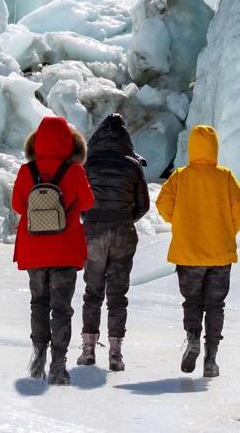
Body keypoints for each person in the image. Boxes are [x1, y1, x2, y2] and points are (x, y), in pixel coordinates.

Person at [155, 124, 240, 378]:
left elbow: (163, 204)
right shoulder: (226, 176)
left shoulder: (180, 176)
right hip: (219, 253)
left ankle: (193, 338)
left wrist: (180, 222)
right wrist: (227, 231)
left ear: (192, 147)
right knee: (216, 304)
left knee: (192, 301)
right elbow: (238, 209)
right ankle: (211, 359)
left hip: (188, 253)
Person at [12, 115, 93, 385]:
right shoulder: (75, 172)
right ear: (71, 143)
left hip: (34, 249)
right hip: (65, 250)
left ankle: (38, 358)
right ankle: (59, 364)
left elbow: (18, 205)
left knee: (38, 303)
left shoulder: (27, 171)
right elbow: (87, 203)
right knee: (61, 308)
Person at [77, 113, 150, 371]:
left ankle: (88, 350)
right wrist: (123, 217)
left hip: (94, 231)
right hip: (122, 231)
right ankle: (116, 354)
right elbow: (143, 206)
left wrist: (93, 216)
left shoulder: (89, 164)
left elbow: (79, 201)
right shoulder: (132, 165)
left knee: (92, 292)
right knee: (118, 294)